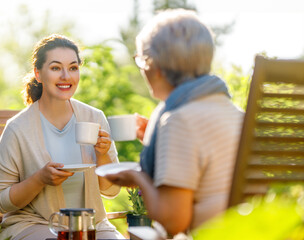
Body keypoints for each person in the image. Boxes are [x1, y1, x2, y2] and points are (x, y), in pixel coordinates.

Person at [105, 9, 244, 238]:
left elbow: (173, 221)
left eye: (141, 60)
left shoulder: (178, 121)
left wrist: (137, 177)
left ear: (155, 66)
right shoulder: (237, 114)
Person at [0, 34, 125, 240]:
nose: (66, 76)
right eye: (56, 68)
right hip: (35, 224)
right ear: (38, 73)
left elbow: (112, 190)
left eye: (73, 68)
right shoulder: (17, 129)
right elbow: (1, 201)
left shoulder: (94, 117)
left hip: (91, 224)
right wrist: (39, 179)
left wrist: (103, 156)